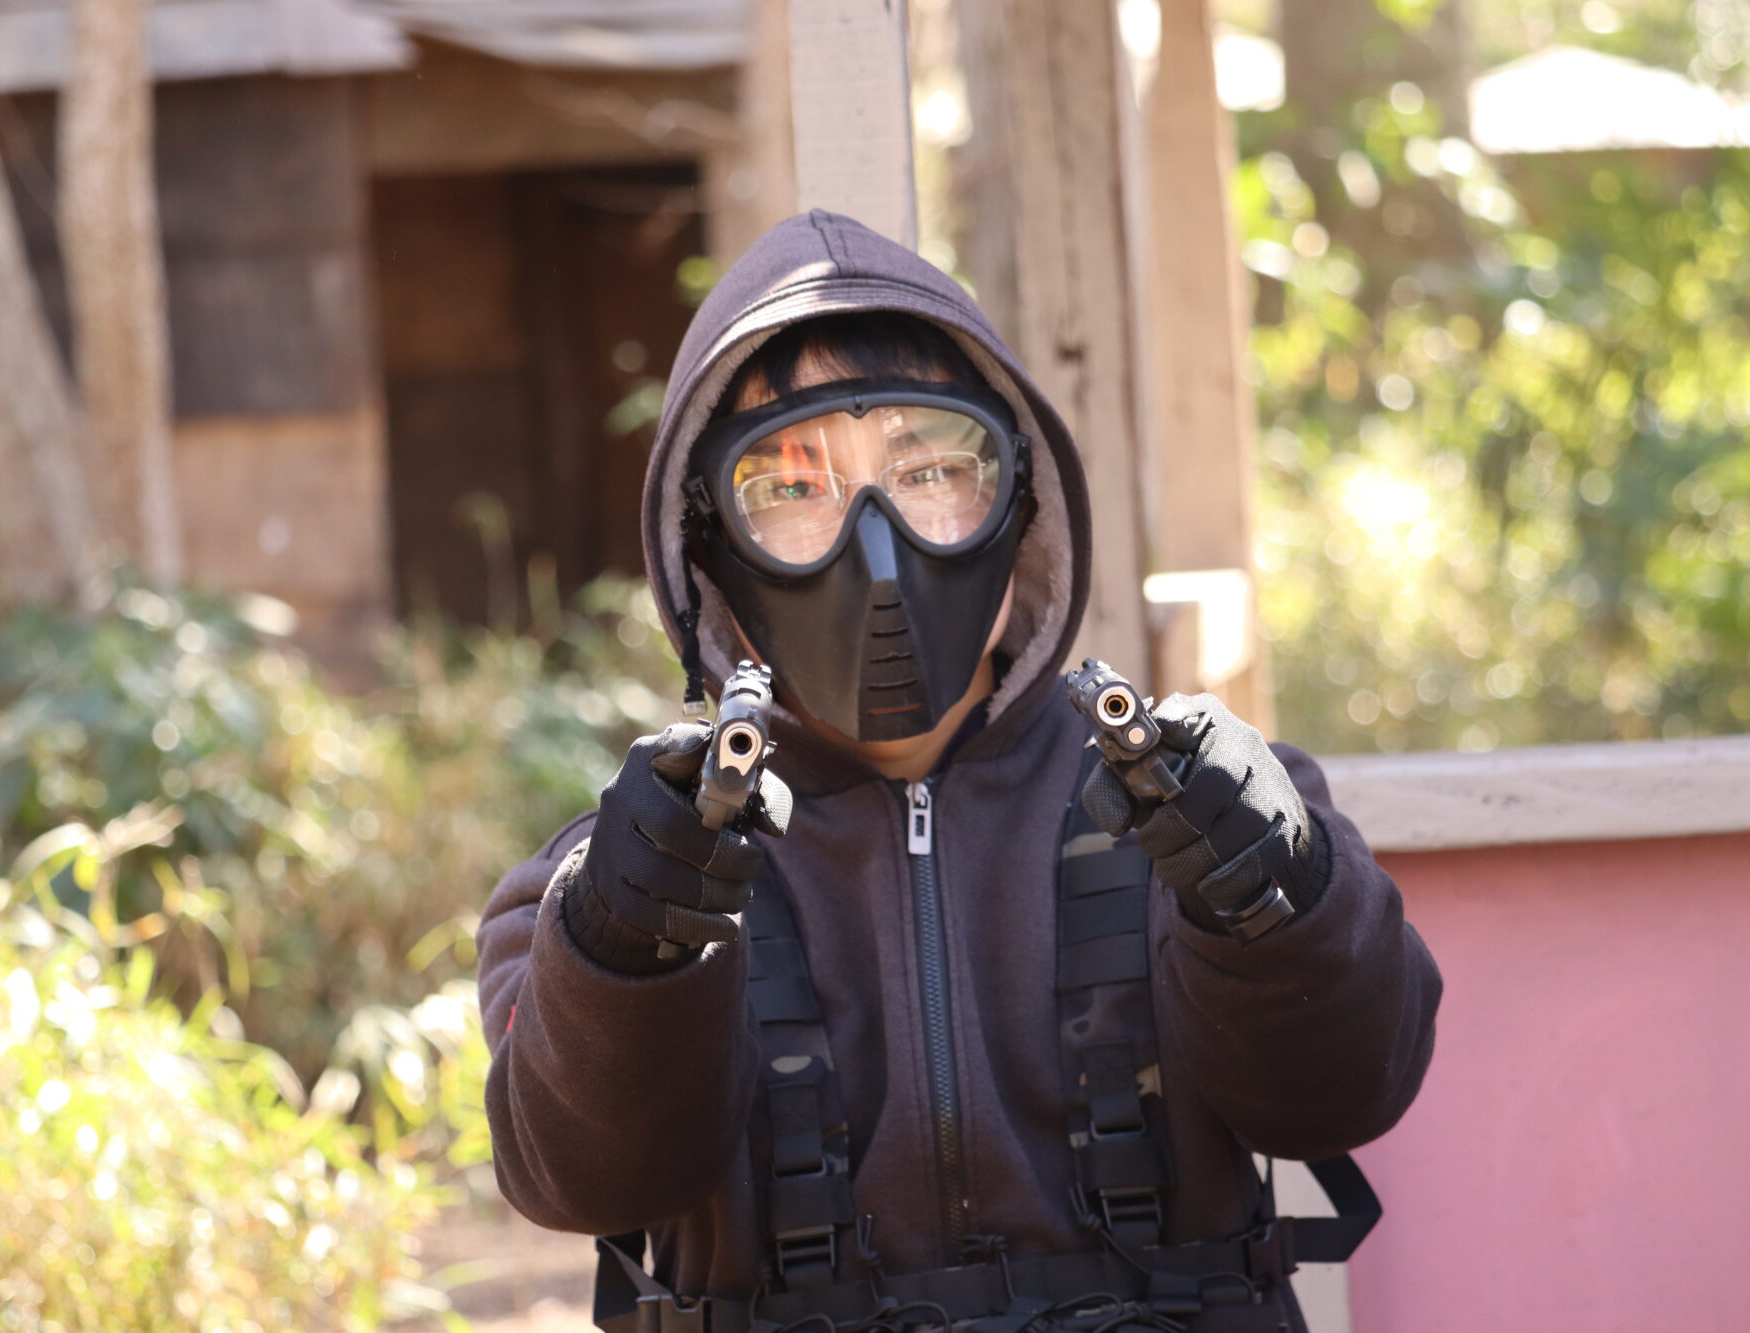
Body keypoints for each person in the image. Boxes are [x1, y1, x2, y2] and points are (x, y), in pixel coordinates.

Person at [478, 211, 1442, 1332]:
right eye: (791, 488)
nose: (875, 549)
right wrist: (618, 956)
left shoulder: (1187, 803)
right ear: (707, 553)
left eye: (931, 469)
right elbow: (578, 1179)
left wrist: (1279, 900)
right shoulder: (630, 873)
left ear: (1020, 508)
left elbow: (1350, 1088)